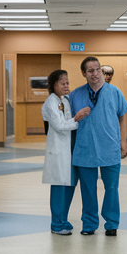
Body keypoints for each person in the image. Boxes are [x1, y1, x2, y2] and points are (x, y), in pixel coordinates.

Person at [69, 57, 127, 236]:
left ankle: (111, 223)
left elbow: (122, 116)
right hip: (85, 147)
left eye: (97, 70)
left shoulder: (114, 92)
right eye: (90, 71)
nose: (95, 74)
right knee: (88, 188)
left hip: (109, 146)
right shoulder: (76, 95)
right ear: (84, 74)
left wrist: (123, 141)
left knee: (112, 187)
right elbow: (68, 122)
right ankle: (89, 223)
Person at [41, 69, 89, 235]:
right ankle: (56, 223)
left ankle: (63, 219)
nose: (66, 86)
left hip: (70, 150)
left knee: (69, 185)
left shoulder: (66, 100)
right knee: (59, 187)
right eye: (62, 83)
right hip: (59, 150)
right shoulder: (50, 103)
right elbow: (61, 126)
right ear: (54, 85)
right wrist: (77, 118)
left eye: (67, 82)